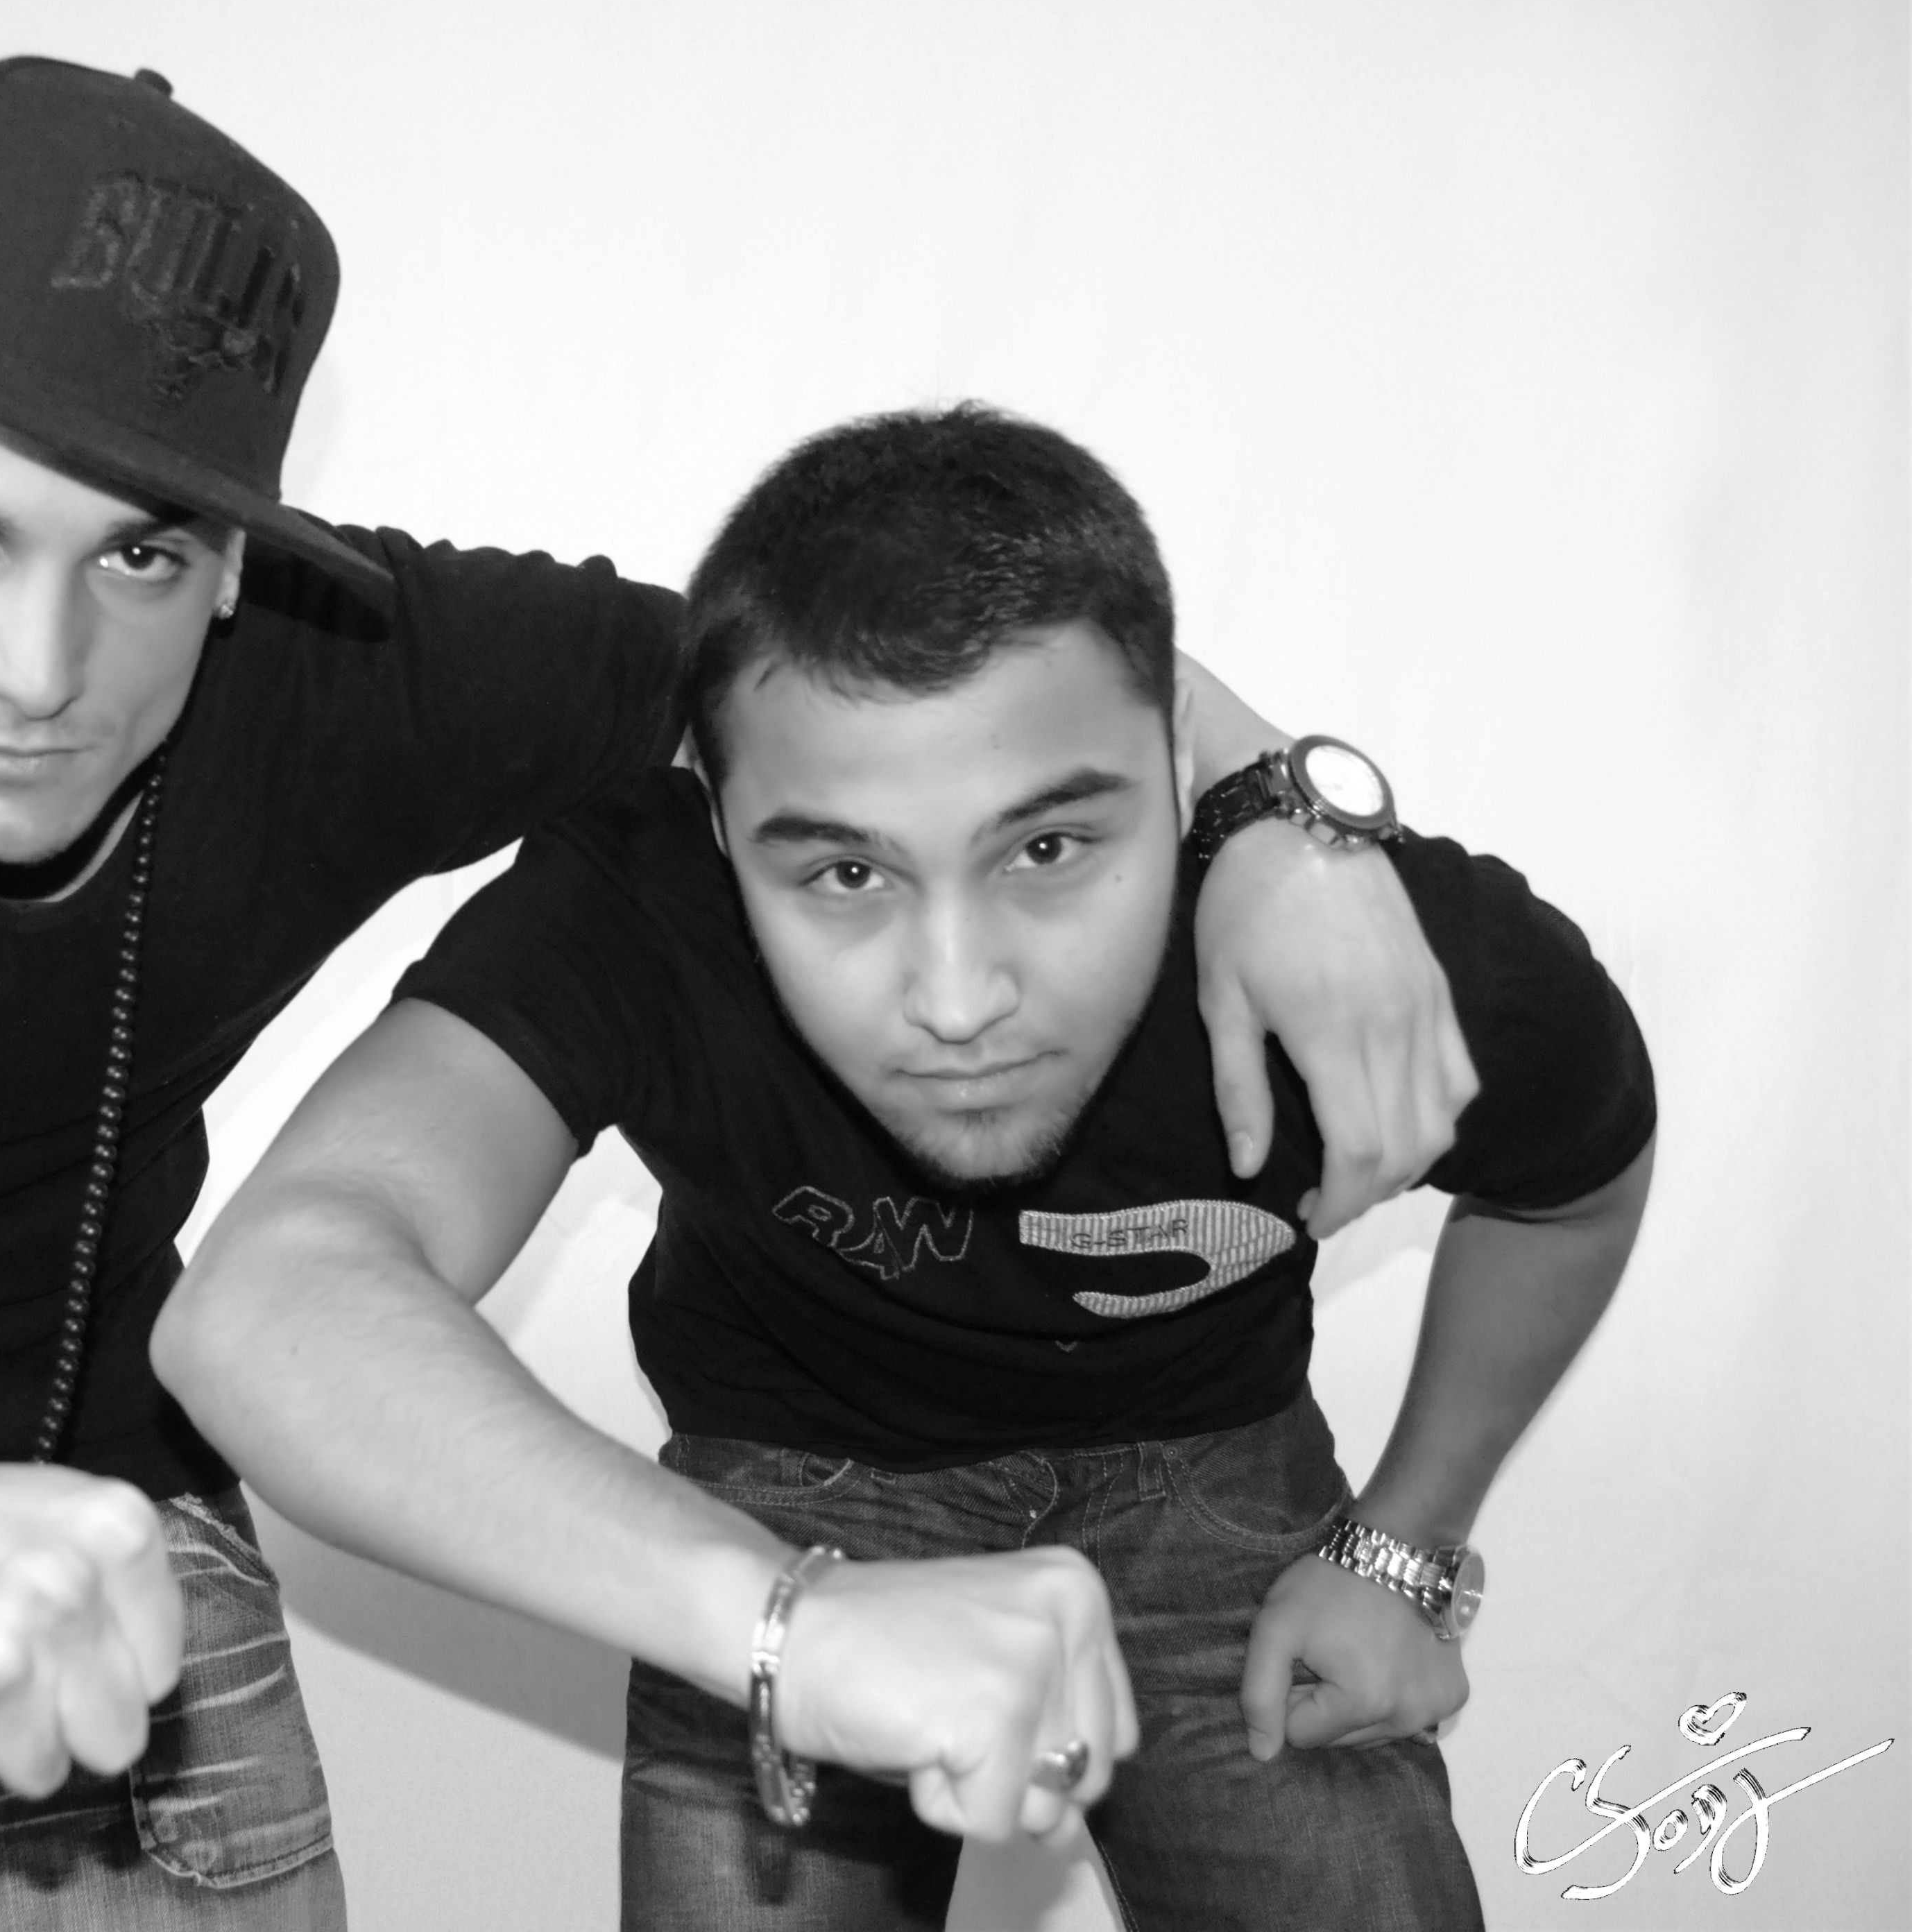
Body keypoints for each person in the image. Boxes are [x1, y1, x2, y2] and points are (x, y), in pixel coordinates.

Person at [0, 57, 1474, 1931]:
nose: (36, 667)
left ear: (237, 554)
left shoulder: (343, 661)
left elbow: (878, 677)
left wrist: (1287, 812)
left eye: (140, 553)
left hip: (116, 1487)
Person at [158, 404, 1653, 1929]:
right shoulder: (643, 897)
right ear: (719, 823)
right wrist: (778, 1622)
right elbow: (278, 1300)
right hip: (792, 1479)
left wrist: (1404, 1544)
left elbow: (1576, 1178)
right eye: (846, 871)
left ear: (1177, 768)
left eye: (1046, 851)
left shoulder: (1346, 946)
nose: (956, 996)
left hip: (1215, 1463)